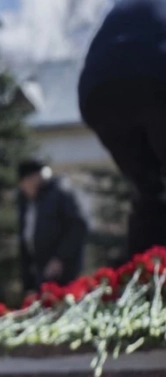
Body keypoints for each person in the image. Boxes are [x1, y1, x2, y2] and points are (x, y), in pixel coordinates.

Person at [78, 0, 166, 256]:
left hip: (97, 93)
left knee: (149, 191)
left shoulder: (127, 10)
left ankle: (145, 270)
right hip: (155, 77)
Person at [17, 160, 89, 294]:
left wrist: (60, 258)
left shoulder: (61, 192)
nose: (23, 188)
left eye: (25, 183)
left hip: (62, 271)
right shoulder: (26, 200)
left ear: (35, 178)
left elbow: (78, 227)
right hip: (39, 270)